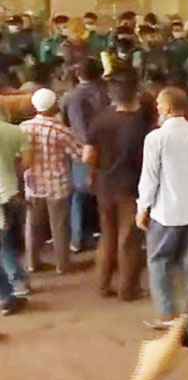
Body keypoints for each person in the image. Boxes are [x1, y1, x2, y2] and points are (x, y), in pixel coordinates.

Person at [136, 87, 188, 329]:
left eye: (159, 105)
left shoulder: (156, 138)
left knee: (159, 261)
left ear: (168, 108)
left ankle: (167, 315)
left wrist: (143, 207)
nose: (157, 109)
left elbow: (150, 178)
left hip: (165, 212)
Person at [84, 75, 151, 300]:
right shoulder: (141, 123)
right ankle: (128, 288)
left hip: (104, 184)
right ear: (135, 93)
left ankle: (103, 284)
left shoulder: (100, 119)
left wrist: (98, 171)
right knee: (129, 240)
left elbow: (87, 155)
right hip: (131, 185)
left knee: (108, 235)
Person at [21, 88, 83, 275]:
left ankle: (32, 263)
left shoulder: (23, 128)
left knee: (32, 226)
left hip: (33, 184)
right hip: (57, 185)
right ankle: (62, 264)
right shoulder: (60, 130)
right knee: (60, 227)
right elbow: (77, 154)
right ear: (53, 105)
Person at [59, 57, 109, 252]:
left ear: (78, 74)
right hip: (106, 148)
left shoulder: (69, 97)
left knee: (79, 195)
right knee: (104, 193)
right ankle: (106, 236)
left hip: (79, 148)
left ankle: (77, 239)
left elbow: (64, 122)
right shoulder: (106, 93)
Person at [0, 108, 32, 309]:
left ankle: (10, 289)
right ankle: (17, 281)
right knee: (9, 242)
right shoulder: (14, 131)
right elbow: (28, 161)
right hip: (9, 193)